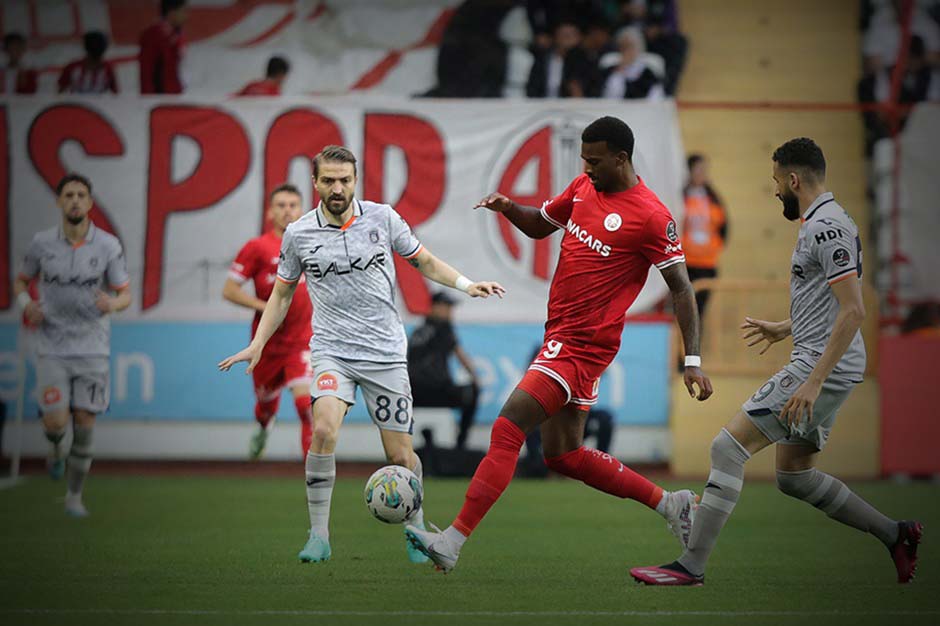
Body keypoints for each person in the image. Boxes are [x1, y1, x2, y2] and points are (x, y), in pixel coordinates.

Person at [405, 116, 713, 574]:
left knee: (508, 427)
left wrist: (692, 359)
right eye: (584, 159)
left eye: (595, 161)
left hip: (581, 344)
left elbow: (682, 288)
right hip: (562, 335)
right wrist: (510, 207)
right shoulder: (583, 188)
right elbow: (540, 225)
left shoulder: (652, 216)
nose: (586, 168)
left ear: (621, 159)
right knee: (564, 454)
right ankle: (672, 504)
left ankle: (452, 540)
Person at [630, 137, 923, 586]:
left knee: (727, 448)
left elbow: (854, 310)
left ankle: (690, 566)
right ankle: (896, 534)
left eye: (776, 181)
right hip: (825, 359)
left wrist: (813, 382)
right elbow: (830, 300)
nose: (775, 191)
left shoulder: (826, 228)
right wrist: (787, 326)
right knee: (794, 476)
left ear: (794, 179)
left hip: (821, 366)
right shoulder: (826, 220)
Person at [218, 145, 505, 565]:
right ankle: (319, 536)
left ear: (355, 181)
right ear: (315, 183)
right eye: (329, 180)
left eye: (344, 180)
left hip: (385, 354)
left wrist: (466, 284)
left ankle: (416, 529)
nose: (337, 188)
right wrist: (259, 343)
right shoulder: (299, 234)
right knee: (323, 430)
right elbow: (281, 294)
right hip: (332, 352)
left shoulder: (382, 218)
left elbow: (424, 261)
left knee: (400, 456)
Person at [14, 173, 131, 517]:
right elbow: (20, 281)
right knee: (55, 424)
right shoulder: (41, 244)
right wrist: (26, 305)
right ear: (59, 202)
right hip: (52, 347)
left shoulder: (107, 245)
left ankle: (74, 498)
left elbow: (125, 293)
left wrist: (113, 304)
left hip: (93, 348)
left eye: (81, 195)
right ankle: (55, 450)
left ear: (90, 202)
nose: (75, 201)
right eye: (69, 195)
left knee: (84, 425)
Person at [223, 184, 313, 459]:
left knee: (307, 406)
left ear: (302, 210)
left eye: (293, 205)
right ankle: (263, 427)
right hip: (267, 344)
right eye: (281, 205)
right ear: (270, 212)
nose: (287, 211)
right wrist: (266, 307)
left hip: (302, 340)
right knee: (265, 407)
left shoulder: (313, 244)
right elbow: (230, 290)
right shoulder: (257, 248)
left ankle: (314, 474)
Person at [407, 291, 480, 451]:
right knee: (473, 392)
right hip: (438, 390)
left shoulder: (418, 331)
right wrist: (475, 377)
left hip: (412, 394)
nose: (450, 312)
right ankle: (460, 445)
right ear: (434, 307)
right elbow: (461, 356)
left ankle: (405, 444)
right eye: (446, 307)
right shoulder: (444, 328)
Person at [682, 154, 728, 322]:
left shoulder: (713, 198)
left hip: (708, 263)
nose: (702, 174)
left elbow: (723, 227)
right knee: (684, 311)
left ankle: (695, 340)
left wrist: (714, 248)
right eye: (698, 169)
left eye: (705, 170)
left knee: (699, 313)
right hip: (685, 264)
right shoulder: (681, 196)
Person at [526, 20, 598, 98]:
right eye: (564, 35)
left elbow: (590, 90)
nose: (567, 40)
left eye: (571, 36)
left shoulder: (587, 62)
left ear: (579, 38)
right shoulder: (542, 60)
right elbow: (532, 87)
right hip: (542, 102)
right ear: (555, 37)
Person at [601, 27, 664, 100]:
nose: (625, 51)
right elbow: (606, 97)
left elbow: (656, 98)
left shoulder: (649, 74)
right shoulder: (609, 70)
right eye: (622, 47)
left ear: (639, 48)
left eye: (629, 46)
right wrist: (618, 73)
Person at [139, 0, 187, 94]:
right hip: (160, 96)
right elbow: (147, 71)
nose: (186, 16)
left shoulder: (176, 34)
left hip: (175, 94)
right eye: (183, 11)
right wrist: (149, 98)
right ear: (172, 12)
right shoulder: (153, 34)